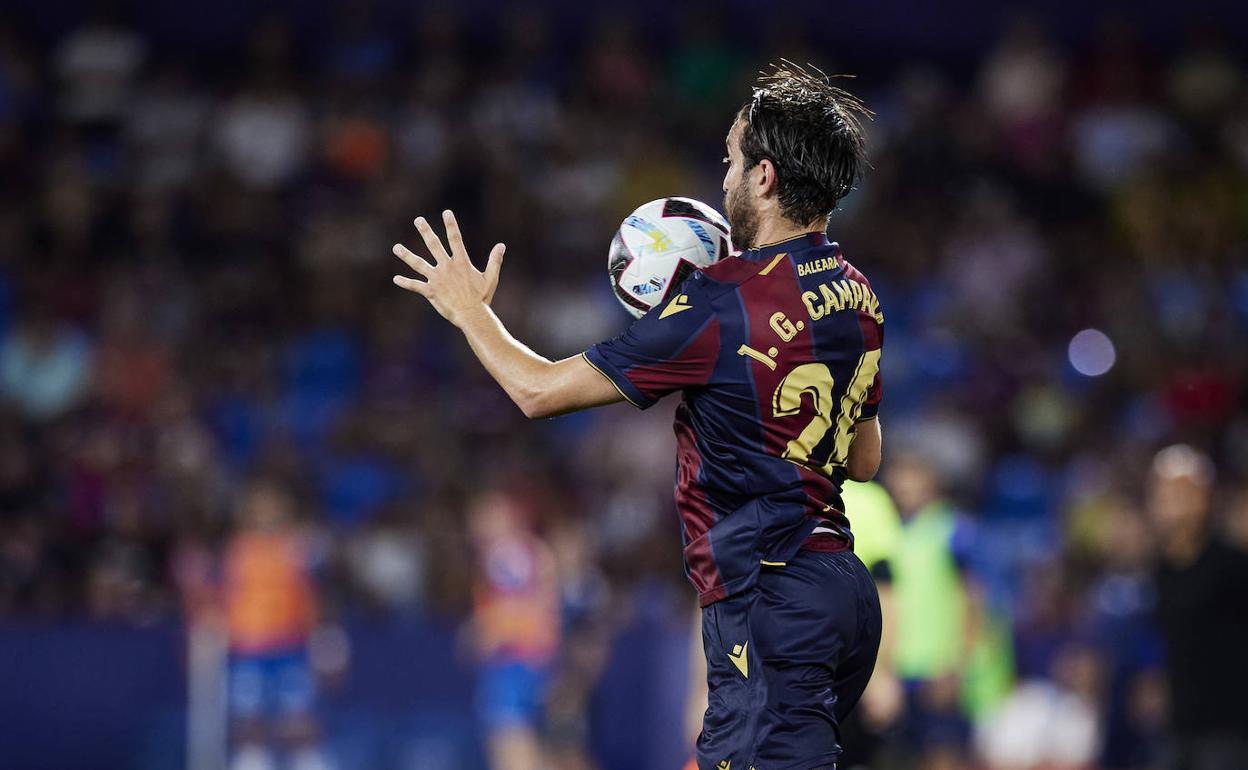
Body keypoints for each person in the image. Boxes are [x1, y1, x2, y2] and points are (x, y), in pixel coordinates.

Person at [393, 63, 883, 770]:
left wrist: (471, 313)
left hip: (770, 600)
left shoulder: (719, 303)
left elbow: (536, 390)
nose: (722, 179)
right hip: (840, 594)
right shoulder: (857, 293)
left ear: (766, 177)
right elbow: (863, 460)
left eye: (731, 160)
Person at [1147, 445, 1248, 770]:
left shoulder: (1233, 564)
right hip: (1179, 727)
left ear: (1205, 497)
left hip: (1229, 729)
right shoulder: (1160, 570)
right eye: (1162, 491)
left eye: (1182, 491)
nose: (1170, 499)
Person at [466, 490, 561, 770]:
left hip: (513, 666)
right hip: (538, 663)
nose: (474, 524)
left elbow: (517, 611)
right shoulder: (537, 550)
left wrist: (483, 633)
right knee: (538, 751)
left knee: (510, 751)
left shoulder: (505, 555)